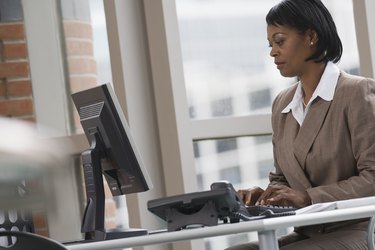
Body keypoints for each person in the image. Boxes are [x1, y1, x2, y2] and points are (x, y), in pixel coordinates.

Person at [226, 0, 375, 249]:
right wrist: (265, 195)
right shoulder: (282, 104)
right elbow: (282, 177)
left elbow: (373, 176)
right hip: (309, 232)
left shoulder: (357, 92)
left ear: (311, 37)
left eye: (280, 41)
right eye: (271, 44)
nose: (273, 51)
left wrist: (307, 197)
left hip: (359, 229)